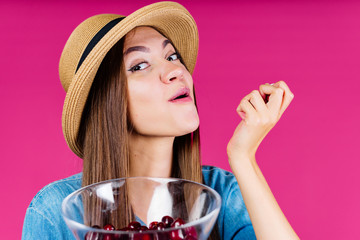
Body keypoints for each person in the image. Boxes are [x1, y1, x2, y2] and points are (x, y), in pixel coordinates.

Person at [22, 1, 298, 239]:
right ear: (106, 104)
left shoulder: (223, 195)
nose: (175, 71)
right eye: (139, 65)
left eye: (172, 55)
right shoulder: (54, 212)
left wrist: (243, 157)